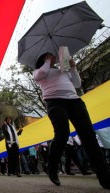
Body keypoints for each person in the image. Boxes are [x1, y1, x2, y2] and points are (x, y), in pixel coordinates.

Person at [33, 52, 110, 189]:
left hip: (74, 101)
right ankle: (51, 167)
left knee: (89, 135)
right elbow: (42, 72)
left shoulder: (62, 70)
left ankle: (104, 176)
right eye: (49, 56)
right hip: (54, 102)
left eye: (53, 56)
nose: (54, 57)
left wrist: (73, 68)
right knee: (62, 134)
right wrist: (47, 61)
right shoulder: (38, 72)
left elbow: (77, 83)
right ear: (43, 58)